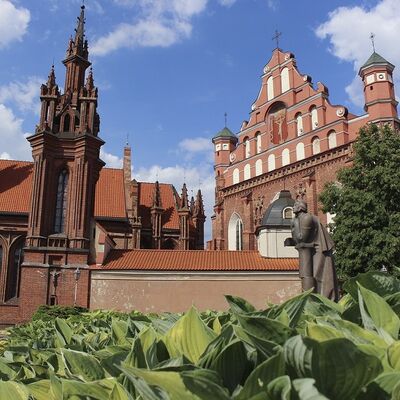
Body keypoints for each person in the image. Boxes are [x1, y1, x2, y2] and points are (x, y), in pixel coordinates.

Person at [291, 200, 338, 301]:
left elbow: (301, 238)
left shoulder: (306, 218)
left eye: (295, 205)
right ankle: (311, 302)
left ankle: (318, 303)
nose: (293, 207)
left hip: (319, 250)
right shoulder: (299, 218)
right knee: (313, 277)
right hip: (311, 250)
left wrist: (294, 224)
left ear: (300, 208)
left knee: (319, 277)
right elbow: (299, 240)